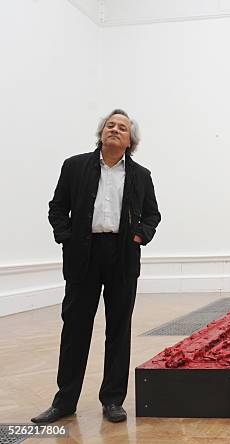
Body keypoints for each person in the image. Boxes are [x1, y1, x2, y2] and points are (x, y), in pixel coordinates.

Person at [32, 109, 161, 424]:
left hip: (122, 256)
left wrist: (137, 236)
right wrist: (67, 238)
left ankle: (113, 400)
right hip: (82, 256)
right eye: (110, 125)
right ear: (101, 132)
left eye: (122, 127)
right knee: (75, 328)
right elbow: (57, 207)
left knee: (118, 329)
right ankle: (64, 402)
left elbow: (152, 215)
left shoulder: (141, 175)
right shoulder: (75, 166)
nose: (114, 129)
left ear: (131, 140)